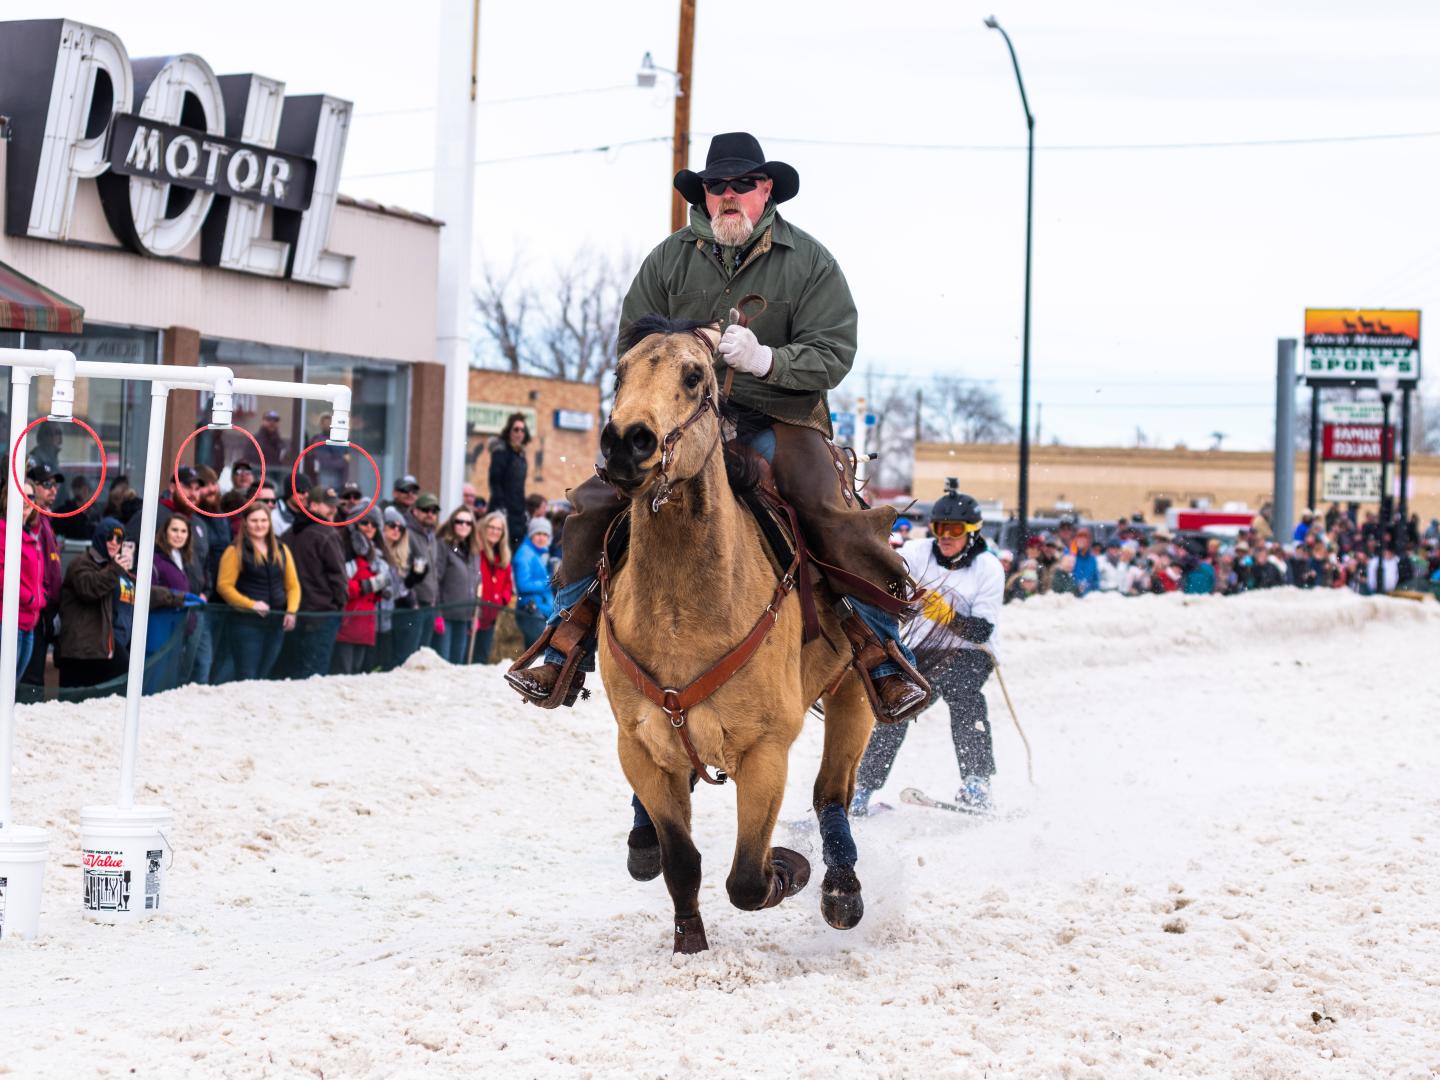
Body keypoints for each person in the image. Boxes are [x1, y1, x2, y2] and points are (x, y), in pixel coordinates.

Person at [507, 131, 927, 723]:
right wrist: (685, 345)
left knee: (825, 508)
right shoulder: (668, 258)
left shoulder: (810, 261)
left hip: (779, 414)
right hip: (684, 417)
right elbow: (633, 343)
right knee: (596, 501)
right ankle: (566, 635)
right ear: (703, 194)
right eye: (715, 185)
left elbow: (834, 351)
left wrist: (768, 360)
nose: (728, 195)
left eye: (741, 184)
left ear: (766, 189)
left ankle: (880, 650)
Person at [851, 482, 1005, 815]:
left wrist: (948, 616)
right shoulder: (918, 553)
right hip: (922, 650)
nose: (945, 537)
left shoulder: (988, 568)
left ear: (972, 532)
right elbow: (882, 567)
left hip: (972, 651)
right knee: (897, 704)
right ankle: (862, 788)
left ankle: (977, 781)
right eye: (939, 528)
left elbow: (982, 631)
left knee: (963, 694)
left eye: (954, 530)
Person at [57, 518, 187, 689]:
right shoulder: (82, 563)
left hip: (106, 648)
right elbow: (89, 588)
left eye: (119, 539)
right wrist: (116, 569)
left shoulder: (117, 568)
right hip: (82, 651)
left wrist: (177, 597)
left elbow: (143, 592)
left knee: (114, 691)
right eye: (109, 537)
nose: (114, 543)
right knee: (78, 700)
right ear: (99, 538)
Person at [217, 504, 299, 680]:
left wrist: (291, 611)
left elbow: (293, 585)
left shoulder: (281, 548)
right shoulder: (235, 550)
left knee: (264, 675)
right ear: (245, 523)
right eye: (254, 520)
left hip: (276, 622)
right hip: (246, 623)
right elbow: (224, 586)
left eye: (263, 520)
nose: (259, 525)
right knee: (247, 676)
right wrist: (250, 604)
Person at [285, 487, 349, 678]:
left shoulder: (289, 533)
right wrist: (339, 606)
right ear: (312, 506)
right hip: (322, 614)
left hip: (294, 612)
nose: (333, 510)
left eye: (335, 506)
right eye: (328, 506)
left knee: (296, 672)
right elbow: (338, 578)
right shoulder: (327, 534)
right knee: (315, 675)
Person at [19, 465, 64, 688]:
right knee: (29, 674)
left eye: (55, 485)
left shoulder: (45, 519)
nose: (53, 490)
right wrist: (40, 598)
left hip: (44, 605)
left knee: (34, 671)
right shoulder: (32, 521)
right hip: (31, 605)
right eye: (47, 484)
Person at [333, 508, 389, 674]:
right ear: (354, 525)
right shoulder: (346, 551)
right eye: (365, 522)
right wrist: (367, 585)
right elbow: (342, 586)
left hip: (366, 624)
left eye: (374, 524)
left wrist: (381, 590)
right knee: (343, 672)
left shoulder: (376, 555)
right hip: (346, 623)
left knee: (358, 672)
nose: (370, 527)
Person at [0, 481, 46, 677]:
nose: (27, 501)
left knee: (13, 684)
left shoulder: (31, 534)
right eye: (21, 495)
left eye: (31, 496)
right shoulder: (3, 530)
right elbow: (2, 575)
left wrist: (41, 597)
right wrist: (29, 598)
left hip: (29, 621)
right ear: (7, 498)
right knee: (4, 683)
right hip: (9, 621)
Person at [376, 507, 427, 669]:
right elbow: (387, 589)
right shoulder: (376, 552)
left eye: (401, 528)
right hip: (381, 618)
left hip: (400, 614)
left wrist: (414, 578)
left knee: (403, 660)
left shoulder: (401, 554)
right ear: (382, 526)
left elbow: (401, 588)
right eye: (392, 525)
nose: (396, 530)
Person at [432, 506, 482, 664]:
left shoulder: (474, 551)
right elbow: (436, 580)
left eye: (468, 523)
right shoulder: (443, 546)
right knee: (444, 662)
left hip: (465, 616)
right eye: (459, 521)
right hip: (446, 615)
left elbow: (477, 583)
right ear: (452, 523)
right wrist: (437, 613)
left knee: (458, 662)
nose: (464, 525)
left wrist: (475, 614)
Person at [400, 492, 440, 655]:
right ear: (415, 510)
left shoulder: (431, 535)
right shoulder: (407, 533)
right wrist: (413, 601)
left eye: (434, 510)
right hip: (413, 606)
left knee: (423, 656)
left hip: (430, 604)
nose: (430, 514)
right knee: (408, 656)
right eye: (425, 510)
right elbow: (402, 570)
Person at [474, 511, 514, 664]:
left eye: (498, 529)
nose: (494, 531)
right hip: (474, 612)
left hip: (492, 614)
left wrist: (502, 599)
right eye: (491, 527)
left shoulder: (503, 555)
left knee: (482, 657)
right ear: (484, 528)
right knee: (467, 656)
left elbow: (508, 584)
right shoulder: (477, 551)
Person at [511, 516, 554, 648]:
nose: (542, 538)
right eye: (538, 533)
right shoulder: (525, 555)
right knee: (540, 650)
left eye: (545, 534)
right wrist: (549, 582)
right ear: (531, 535)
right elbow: (523, 585)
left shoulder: (537, 553)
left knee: (536, 651)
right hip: (531, 610)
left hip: (541, 609)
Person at [489, 413, 530, 550]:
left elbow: (520, 488)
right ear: (509, 431)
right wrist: (500, 508)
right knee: (500, 550)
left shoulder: (521, 456)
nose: (519, 433)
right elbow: (495, 482)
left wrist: (524, 510)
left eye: (522, 430)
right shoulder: (501, 453)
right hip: (503, 512)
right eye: (516, 429)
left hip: (518, 513)